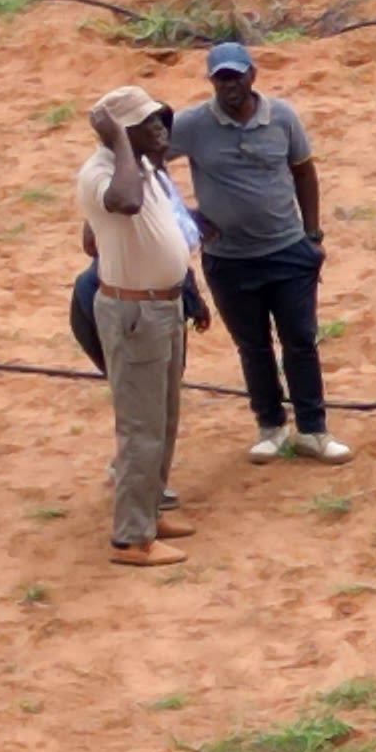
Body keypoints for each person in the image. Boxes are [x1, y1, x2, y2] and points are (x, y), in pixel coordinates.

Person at [172, 39, 346, 464]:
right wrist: (185, 214)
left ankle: (313, 429)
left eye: (236, 76)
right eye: (221, 78)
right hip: (229, 258)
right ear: (212, 81)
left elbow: (304, 171)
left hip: (287, 249)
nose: (230, 86)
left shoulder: (282, 116)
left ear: (253, 74)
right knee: (253, 345)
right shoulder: (193, 124)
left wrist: (314, 235)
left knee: (301, 340)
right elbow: (147, 161)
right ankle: (270, 425)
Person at [78, 87, 200, 568]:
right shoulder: (104, 172)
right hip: (136, 312)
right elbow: (125, 203)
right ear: (121, 133)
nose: (160, 129)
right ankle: (131, 538)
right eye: (147, 122)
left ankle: (149, 512)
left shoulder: (144, 164)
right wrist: (119, 143)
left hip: (163, 306)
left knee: (165, 417)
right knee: (141, 427)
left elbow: (103, 233)